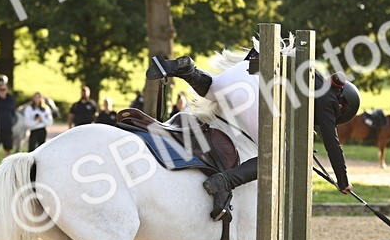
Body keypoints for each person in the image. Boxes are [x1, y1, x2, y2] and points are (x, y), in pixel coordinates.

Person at [146, 53, 360, 220]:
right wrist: (343, 181)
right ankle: (224, 181)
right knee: (277, 156)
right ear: (342, 106)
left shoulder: (314, 76)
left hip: (242, 72)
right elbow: (333, 144)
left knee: (211, 89)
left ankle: (189, 71)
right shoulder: (329, 101)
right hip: (254, 91)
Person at [0, 76, 18, 159]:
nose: (2, 91)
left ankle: (7, 170)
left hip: (7, 129)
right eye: (0, 89)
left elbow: (13, 113)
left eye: (4, 89)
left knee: (7, 150)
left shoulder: (10, 99)